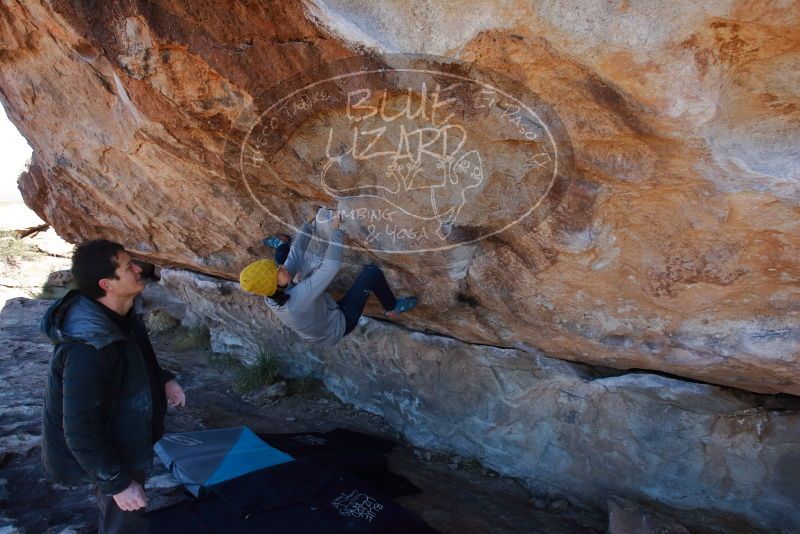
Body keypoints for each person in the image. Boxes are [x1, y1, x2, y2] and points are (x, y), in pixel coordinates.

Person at [41, 239, 186, 533]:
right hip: (109, 448)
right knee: (128, 515)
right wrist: (118, 484)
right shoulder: (88, 348)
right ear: (107, 284)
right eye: (127, 266)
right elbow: (80, 428)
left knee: (122, 512)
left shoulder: (119, 313)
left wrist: (163, 378)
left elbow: (136, 357)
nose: (138, 268)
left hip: (119, 435)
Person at [240, 208, 417, 346]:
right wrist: (335, 230)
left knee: (285, 260)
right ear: (274, 285)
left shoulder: (270, 291)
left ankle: (282, 244)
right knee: (372, 273)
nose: (282, 269)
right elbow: (330, 267)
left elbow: (293, 258)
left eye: (277, 268)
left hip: (318, 314)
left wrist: (308, 226)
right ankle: (391, 306)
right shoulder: (296, 301)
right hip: (337, 325)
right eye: (278, 271)